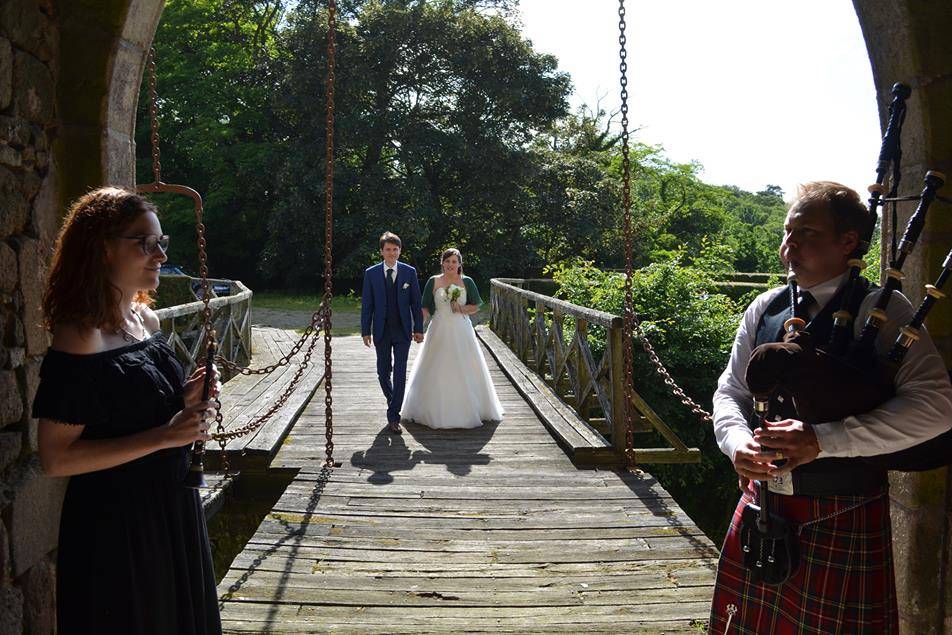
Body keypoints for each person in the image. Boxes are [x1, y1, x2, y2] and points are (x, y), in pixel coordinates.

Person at [708, 181, 952, 633]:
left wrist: (824, 440)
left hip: (844, 509)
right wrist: (736, 442)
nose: (790, 245)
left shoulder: (882, 309)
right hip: (763, 505)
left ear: (848, 242)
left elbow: (937, 406)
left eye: (808, 233)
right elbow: (731, 392)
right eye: (787, 233)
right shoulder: (766, 308)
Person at [32, 187, 222, 634]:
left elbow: (131, 410)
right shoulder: (81, 336)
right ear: (101, 248)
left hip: (172, 506)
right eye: (144, 242)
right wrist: (166, 435)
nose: (158, 254)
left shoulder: (147, 322)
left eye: (161, 243)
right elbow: (56, 458)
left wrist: (185, 402)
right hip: (118, 524)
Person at [401, 248, 504, 429]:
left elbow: (476, 305)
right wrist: (418, 328)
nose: (450, 265)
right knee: (436, 365)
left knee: (463, 365)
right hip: (439, 328)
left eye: (454, 262)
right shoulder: (433, 281)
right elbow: (425, 307)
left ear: (459, 264)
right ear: (442, 263)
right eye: (447, 261)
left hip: (461, 329)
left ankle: (468, 409)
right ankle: (431, 410)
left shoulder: (467, 282)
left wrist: (461, 309)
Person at [361, 231, 425, 434]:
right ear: (381, 252)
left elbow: (416, 303)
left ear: (400, 251)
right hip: (381, 330)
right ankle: (393, 400)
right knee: (382, 372)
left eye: (395, 249)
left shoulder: (409, 272)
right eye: (387, 249)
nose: (391, 253)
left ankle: (393, 416)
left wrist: (418, 328)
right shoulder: (371, 273)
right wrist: (365, 330)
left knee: (399, 372)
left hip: (403, 330)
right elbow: (367, 304)